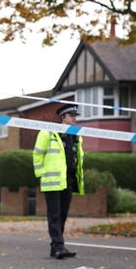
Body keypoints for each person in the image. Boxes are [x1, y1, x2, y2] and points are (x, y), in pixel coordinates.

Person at [33, 103, 84, 259]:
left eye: (76, 116)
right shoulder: (48, 133)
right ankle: (58, 246)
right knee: (54, 215)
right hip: (52, 181)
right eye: (72, 116)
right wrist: (42, 174)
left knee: (62, 215)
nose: (75, 119)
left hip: (67, 180)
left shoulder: (76, 135)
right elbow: (37, 154)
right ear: (63, 118)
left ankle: (56, 246)